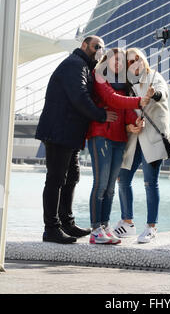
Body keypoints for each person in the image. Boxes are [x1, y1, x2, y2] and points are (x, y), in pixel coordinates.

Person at [36, 35, 118, 244]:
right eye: (95, 46)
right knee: (56, 179)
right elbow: (79, 96)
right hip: (59, 131)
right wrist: (101, 115)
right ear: (83, 45)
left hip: (70, 133)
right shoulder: (75, 64)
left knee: (71, 177)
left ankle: (67, 223)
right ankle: (51, 228)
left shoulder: (85, 67)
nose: (99, 50)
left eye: (101, 48)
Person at [87, 48, 152, 244]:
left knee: (110, 188)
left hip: (119, 137)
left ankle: (105, 226)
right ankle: (95, 230)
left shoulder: (123, 83)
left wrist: (135, 120)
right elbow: (111, 99)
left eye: (122, 62)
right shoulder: (99, 77)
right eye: (116, 60)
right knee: (100, 184)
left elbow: (125, 110)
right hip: (101, 135)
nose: (119, 64)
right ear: (106, 60)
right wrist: (140, 100)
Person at [114, 47, 170, 243]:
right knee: (122, 179)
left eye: (138, 58)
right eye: (130, 61)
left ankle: (151, 227)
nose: (135, 62)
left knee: (150, 183)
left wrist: (153, 95)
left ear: (144, 60)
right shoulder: (128, 84)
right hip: (134, 139)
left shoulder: (154, 77)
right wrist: (130, 126)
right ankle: (127, 222)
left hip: (152, 138)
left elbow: (162, 93)